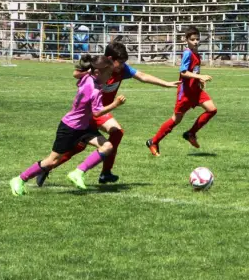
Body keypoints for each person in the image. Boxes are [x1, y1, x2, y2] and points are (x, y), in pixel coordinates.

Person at [35, 42, 180, 186]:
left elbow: (142, 75)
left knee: (116, 132)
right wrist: (88, 71)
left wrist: (166, 84)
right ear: (110, 59)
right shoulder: (99, 70)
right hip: (90, 113)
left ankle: (105, 173)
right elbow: (76, 73)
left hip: (101, 111)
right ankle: (47, 167)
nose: (123, 65)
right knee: (77, 147)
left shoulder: (121, 70)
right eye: (121, 62)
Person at [9, 55, 126, 196]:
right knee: (51, 161)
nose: (110, 77)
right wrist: (115, 104)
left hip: (83, 127)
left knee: (107, 146)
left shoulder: (88, 78)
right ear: (97, 73)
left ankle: (78, 172)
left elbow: (78, 74)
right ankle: (20, 179)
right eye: (108, 74)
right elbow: (97, 113)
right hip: (70, 128)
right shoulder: (95, 90)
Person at [146, 25, 217, 156]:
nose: (196, 42)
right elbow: (183, 72)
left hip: (195, 90)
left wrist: (199, 80)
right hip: (185, 93)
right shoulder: (187, 53)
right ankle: (153, 141)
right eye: (193, 39)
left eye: (197, 39)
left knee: (212, 109)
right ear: (186, 40)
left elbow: (193, 70)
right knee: (176, 120)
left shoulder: (196, 53)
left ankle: (191, 133)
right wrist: (200, 76)